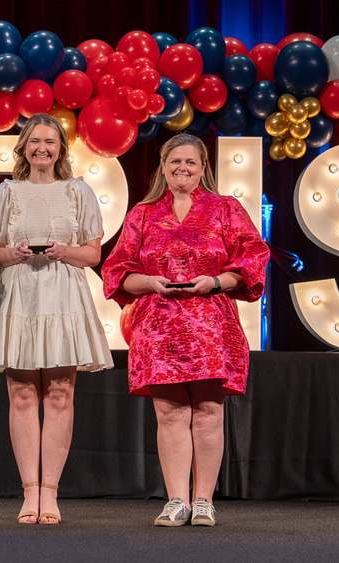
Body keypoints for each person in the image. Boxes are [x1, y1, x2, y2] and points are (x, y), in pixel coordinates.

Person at [101, 133, 269, 527]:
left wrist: (216, 281)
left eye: (191, 162)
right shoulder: (142, 214)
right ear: (162, 166)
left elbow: (254, 256)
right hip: (158, 327)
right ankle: (176, 500)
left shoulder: (226, 209)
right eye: (175, 161)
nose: (183, 168)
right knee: (171, 413)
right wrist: (150, 282)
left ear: (203, 168)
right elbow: (117, 270)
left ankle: (204, 501)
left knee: (209, 411)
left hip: (211, 326)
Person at [0, 113, 113, 524]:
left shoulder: (78, 191)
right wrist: (11, 254)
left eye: (50, 142)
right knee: (21, 395)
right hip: (19, 295)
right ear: (23, 147)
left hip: (62, 294)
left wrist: (63, 252)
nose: (42, 148)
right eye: (34, 141)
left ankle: (50, 493)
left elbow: (93, 254)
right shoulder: (7, 192)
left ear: (61, 149)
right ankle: (29, 493)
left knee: (58, 394)